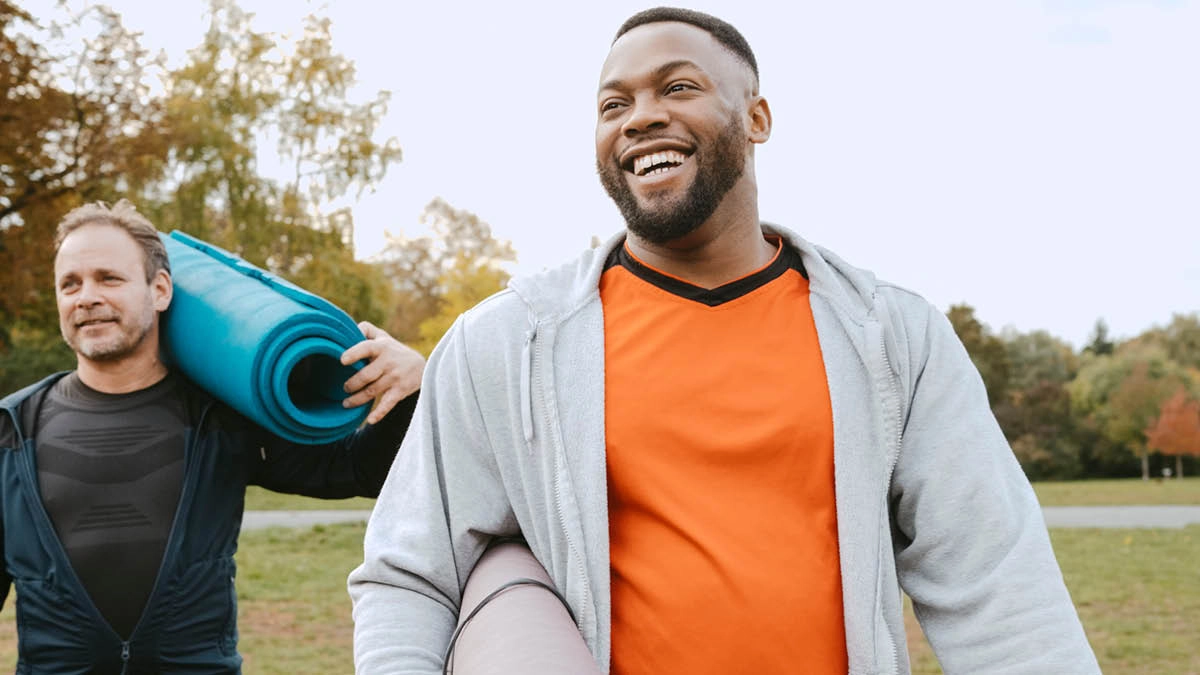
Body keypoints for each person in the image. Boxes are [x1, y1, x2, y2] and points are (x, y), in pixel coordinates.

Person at [349, 7, 1100, 674]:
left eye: (677, 88)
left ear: (757, 117)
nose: (639, 117)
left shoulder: (893, 337)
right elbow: (412, 573)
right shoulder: (504, 344)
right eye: (615, 103)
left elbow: (997, 580)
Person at [0, 199, 424, 673]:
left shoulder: (222, 417)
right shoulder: (12, 429)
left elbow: (358, 469)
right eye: (70, 284)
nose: (86, 297)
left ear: (160, 289)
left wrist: (410, 387)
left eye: (109, 278)